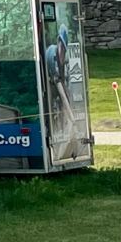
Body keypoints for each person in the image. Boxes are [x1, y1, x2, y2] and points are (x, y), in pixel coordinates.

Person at [45, 26, 78, 158]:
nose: (63, 51)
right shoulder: (52, 54)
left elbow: (63, 83)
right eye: (62, 47)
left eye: (65, 48)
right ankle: (55, 152)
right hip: (50, 94)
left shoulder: (62, 60)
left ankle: (68, 151)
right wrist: (69, 110)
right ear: (59, 42)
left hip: (58, 95)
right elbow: (58, 83)